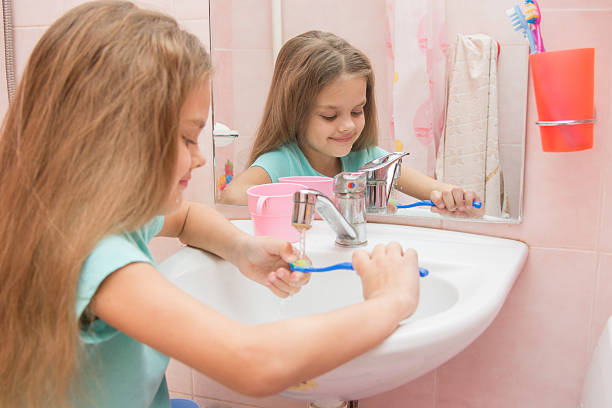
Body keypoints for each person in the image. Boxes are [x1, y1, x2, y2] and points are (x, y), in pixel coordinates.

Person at [0, 3, 421, 407]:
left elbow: (185, 219)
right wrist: (390, 301)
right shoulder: (99, 258)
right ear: (115, 140)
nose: (200, 157)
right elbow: (255, 363)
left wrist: (242, 249)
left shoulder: (86, 214)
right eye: (187, 138)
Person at [221, 30, 483, 218]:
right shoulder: (281, 162)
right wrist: (330, 200)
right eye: (330, 116)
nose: (347, 126)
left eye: (357, 111)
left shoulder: (367, 160)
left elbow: (434, 190)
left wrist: (453, 195)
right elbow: (232, 196)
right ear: (294, 113)